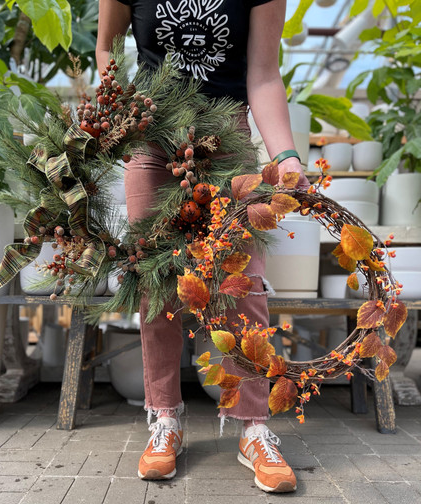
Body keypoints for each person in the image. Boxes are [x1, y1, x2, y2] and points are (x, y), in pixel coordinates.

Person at [96, 0, 310, 493]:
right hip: (152, 139)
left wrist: (287, 156)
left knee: (243, 282)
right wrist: (125, 111)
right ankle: (165, 419)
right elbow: (106, 48)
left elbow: (261, 73)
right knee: (159, 280)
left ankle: (253, 427)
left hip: (227, 140)